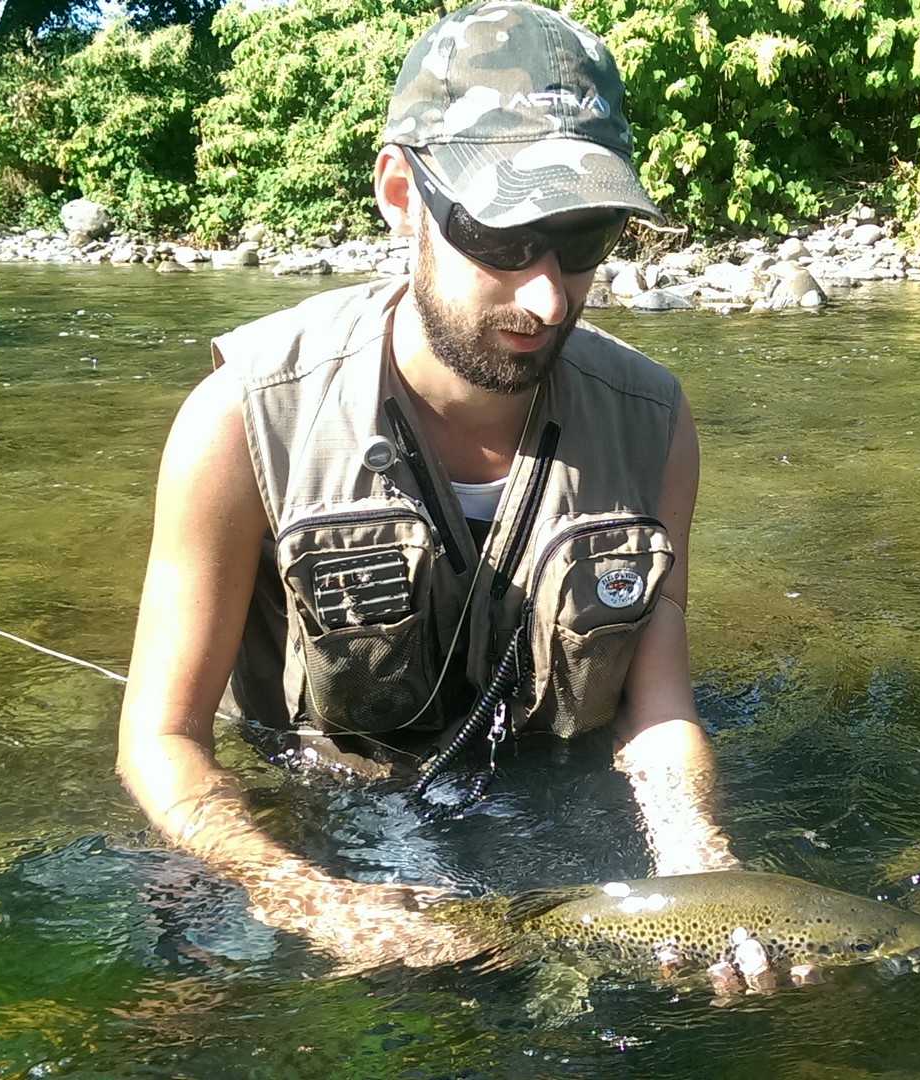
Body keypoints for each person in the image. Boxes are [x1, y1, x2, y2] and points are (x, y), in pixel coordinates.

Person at [116, 0, 739, 974]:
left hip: (546, 805)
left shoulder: (652, 423)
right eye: (505, 237)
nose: (546, 296)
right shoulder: (239, 420)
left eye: (582, 241)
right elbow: (159, 741)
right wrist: (301, 895)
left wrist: (698, 863)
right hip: (308, 817)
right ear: (401, 194)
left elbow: (658, 714)